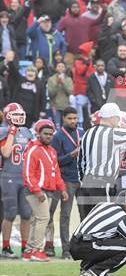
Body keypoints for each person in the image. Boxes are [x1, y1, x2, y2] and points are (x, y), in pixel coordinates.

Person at [22, 119, 69, 262]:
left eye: (50, 134)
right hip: (36, 191)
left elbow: (56, 173)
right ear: (38, 134)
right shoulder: (33, 150)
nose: (48, 136)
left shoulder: (52, 151)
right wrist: (37, 191)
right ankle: (37, 251)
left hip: (48, 190)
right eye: (45, 134)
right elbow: (27, 174)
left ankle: (29, 251)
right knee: (43, 218)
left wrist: (63, 189)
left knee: (37, 220)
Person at [44, 108, 84, 259]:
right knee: (65, 215)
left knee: (84, 215)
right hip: (66, 179)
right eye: (70, 118)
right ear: (63, 118)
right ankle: (66, 249)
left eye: (75, 118)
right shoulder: (58, 136)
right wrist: (71, 155)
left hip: (82, 178)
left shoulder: (82, 132)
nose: (73, 121)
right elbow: (54, 161)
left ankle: (81, 248)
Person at [0, 103, 33, 258]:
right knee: (10, 213)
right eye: (15, 115)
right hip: (9, 176)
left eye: (21, 115)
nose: (19, 118)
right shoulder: (3, 131)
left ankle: (25, 248)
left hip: (24, 177)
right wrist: (11, 133)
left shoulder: (27, 132)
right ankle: (6, 247)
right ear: (8, 117)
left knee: (27, 213)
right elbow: (6, 153)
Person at [72, 41, 95, 128]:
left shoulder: (89, 61)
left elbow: (92, 74)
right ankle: (79, 126)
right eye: (92, 49)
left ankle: (89, 126)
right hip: (81, 90)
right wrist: (87, 64)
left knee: (89, 111)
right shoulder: (79, 61)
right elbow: (81, 71)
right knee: (80, 110)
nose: (93, 51)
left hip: (89, 90)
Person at [47, 62, 73, 127]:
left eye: (62, 66)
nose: (60, 68)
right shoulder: (51, 79)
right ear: (56, 68)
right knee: (56, 127)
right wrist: (57, 84)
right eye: (59, 66)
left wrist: (63, 83)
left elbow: (69, 92)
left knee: (65, 126)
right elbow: (51, 94)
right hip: (55, 106)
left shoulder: (68, 79)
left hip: (65, 106)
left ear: (65, 68)